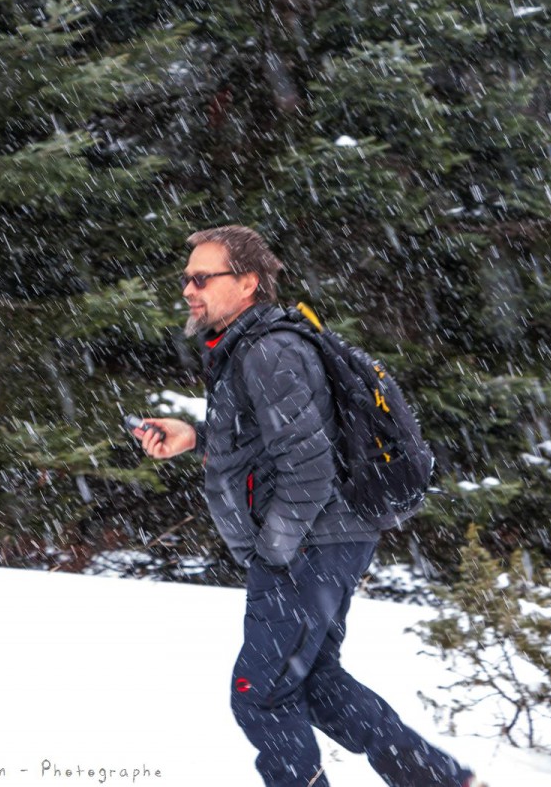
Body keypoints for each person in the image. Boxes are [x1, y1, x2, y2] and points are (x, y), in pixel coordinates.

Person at [133, 225, 485, 787]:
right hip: (321, 541)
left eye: (202, 278)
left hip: (308, 546)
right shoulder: (251, 345)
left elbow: (309, 466)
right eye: (185, 279)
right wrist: (195, 437)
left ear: (247, 283)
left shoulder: (269, 350)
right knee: (313, 683)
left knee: (261, 696)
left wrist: (274, 552)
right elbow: (273, 440)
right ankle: (443, 781)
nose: (188, 290)